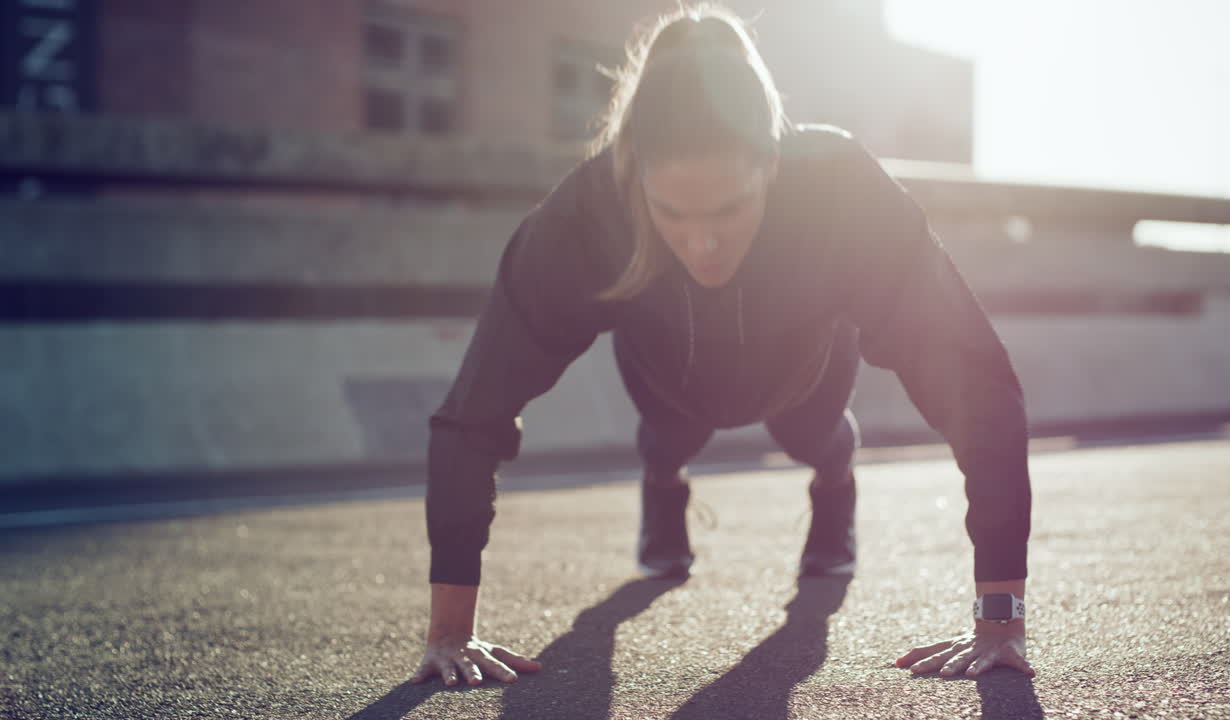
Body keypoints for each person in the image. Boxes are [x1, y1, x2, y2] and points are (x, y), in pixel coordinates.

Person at [411, 2, 1034, 688]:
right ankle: (662, 489)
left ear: (771, 163)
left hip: (805, 367)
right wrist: (451, 633)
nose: (702, 245)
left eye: (729, 209)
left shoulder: (841, 188)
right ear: (634, 174)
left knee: (814, 435)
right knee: (670, 435)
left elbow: (977, 386)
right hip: (666, 371)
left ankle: (835, 487)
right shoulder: (585, 215)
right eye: (672, 214)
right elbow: (473, 415)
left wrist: (998, 620)